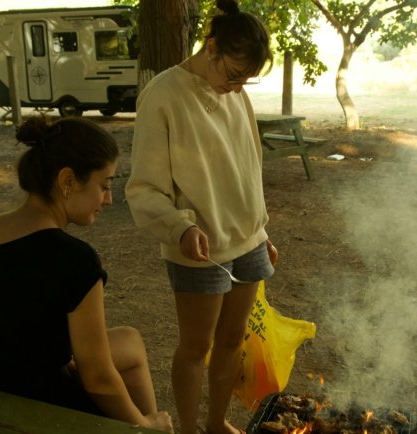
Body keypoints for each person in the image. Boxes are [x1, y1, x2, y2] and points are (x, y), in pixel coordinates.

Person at [0, 116, 173, 433]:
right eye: (104, 185)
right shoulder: (75, 259)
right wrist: (144, 424)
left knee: (128, 341)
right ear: (68, 180)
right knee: (130, 403)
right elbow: (99, 379)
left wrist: (38, 354)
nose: (109, 198)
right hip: (33, 411)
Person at [124, 1, 277, 433]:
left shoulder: (237, 95)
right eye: (232, 74)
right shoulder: (163, 94)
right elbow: (144, 187)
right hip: (199, 246)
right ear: (211, 46)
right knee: (196, 347)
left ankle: (215, 423)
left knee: (232, 341)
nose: (236, 86)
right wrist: (180, 226)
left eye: (246, 79)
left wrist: (259, 230)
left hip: (246, 242)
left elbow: (248, 168)